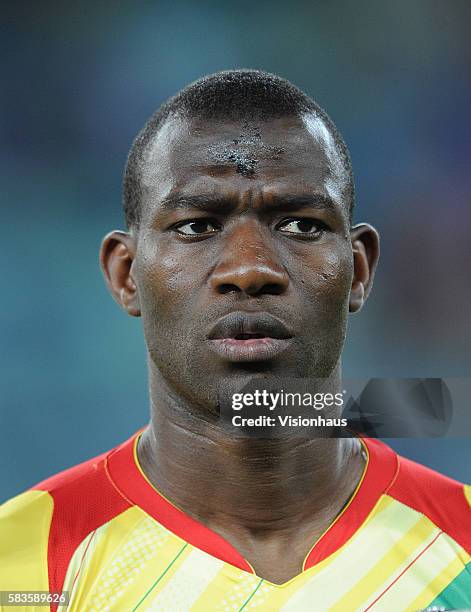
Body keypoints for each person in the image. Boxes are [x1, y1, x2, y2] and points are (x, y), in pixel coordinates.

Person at [1, 70, 470, 611]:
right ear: (126, 274)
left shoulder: (462, 545)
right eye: (197, 226)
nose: (250, 269)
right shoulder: (22, 568)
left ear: (359, 270)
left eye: (300, 225)